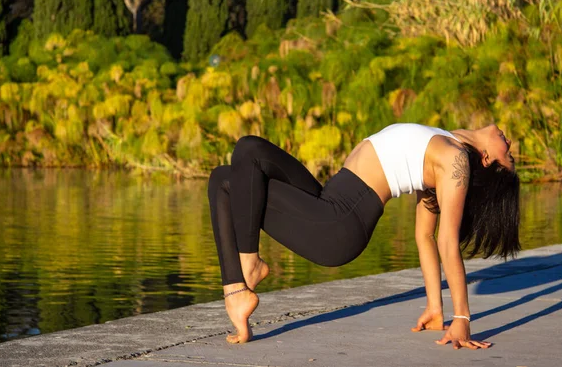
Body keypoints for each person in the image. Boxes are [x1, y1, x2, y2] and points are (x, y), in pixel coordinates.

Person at [207, 123, 520, 349]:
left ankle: (244, 272)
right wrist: (435, 309)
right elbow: (423, 236)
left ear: (487, 161)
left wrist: (461, 317)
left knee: (232, 171)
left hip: (338, 225)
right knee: (239, 160)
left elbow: (443, 240)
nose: (511, 143)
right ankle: (241, 280)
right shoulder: (446, 143)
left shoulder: (455, 161)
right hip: (327, 200)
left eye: (511, 158)